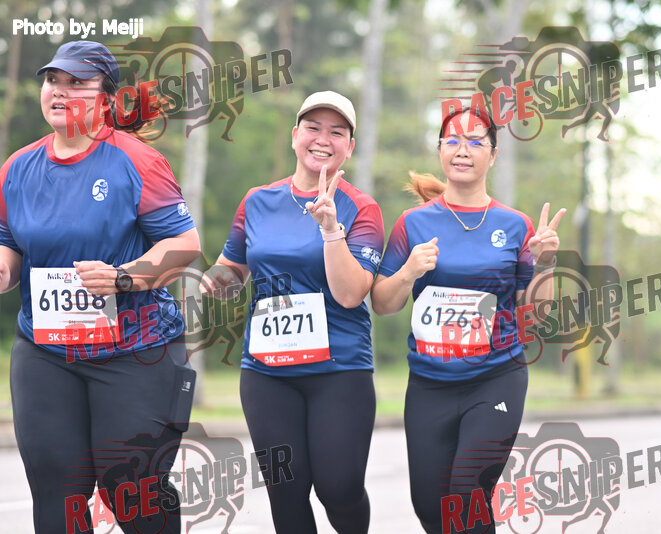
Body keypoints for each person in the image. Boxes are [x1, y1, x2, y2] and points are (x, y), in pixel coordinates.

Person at [0, 41, 201, 533]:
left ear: (107, 98)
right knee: (57, 494)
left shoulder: (136, 161)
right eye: (53, 80)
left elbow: (185, 244)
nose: (60, 91)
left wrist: (122, 277)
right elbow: (8, 244)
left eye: (77, 83)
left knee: (132, 494)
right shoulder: (18, 167)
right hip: (46, 352)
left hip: (136, 350)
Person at [371, 106, 566, 534]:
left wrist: (546, 263)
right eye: (453, 141)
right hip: (429, 383)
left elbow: (537, 313)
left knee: (467, 496)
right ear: (440, 150)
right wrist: (408, 273)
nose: (463, 150)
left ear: (492, 156)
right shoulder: (413, 223)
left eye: (476, 142)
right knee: (429, 507)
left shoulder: (515, 225)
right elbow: (383, 304)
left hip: (495, 378)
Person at [204, 91, 384, 534]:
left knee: (339, 489)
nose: (322, 139)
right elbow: (231, 271)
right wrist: (211, 281)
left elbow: (351, 294)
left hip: (338, 371)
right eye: (313, 128)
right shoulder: (257, 200)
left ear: (349, 147)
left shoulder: (361, 207)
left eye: (336, 132)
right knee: (285, 492)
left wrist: (331, 230)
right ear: (294, 136)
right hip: (267, 372)